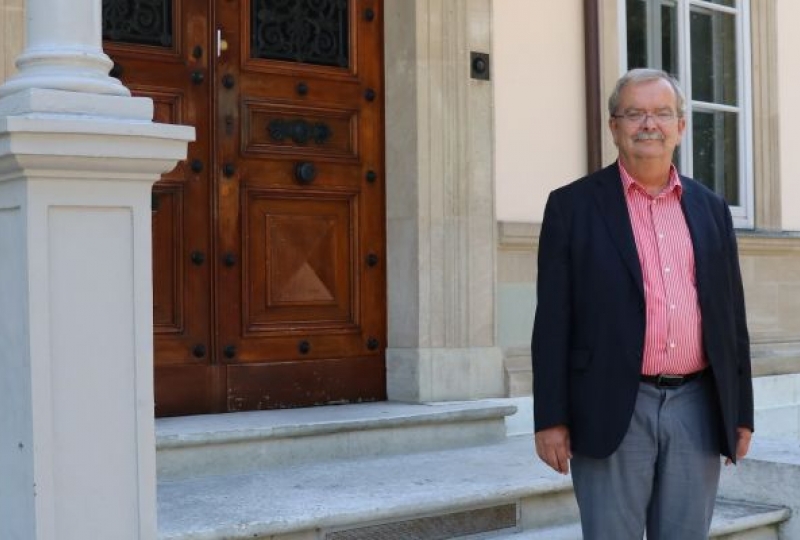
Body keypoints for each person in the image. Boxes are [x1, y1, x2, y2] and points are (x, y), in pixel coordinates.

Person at [531, 68, 754, 540]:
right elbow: (552, 321)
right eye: (634, 113)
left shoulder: (711, 208)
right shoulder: (571, 207)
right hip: (611, 402)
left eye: (661, 113)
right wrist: (550, 417)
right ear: (614, 126)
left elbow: (731, 318)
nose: (648, 124)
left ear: (680, 126)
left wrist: (742, 411)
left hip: (697, 404)